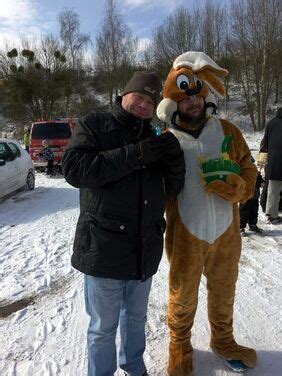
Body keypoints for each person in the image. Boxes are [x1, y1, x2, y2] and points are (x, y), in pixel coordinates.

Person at [62, 71, 185, 376]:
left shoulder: (154, 136)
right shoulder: (95, 124)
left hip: (144, 248)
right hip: (103, 249)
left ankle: (134, 366)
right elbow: (75, 170)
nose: (142, 105)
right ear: (124, 94)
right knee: (103, 328)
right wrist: (134, 154)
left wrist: (174, 160)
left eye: (149, 101)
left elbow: (172, 190)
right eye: (138, 97)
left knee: (135, 320)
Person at [156, 51, 258, 375]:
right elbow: (154, 188)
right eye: (186, 99)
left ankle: (223, 339)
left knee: (224, 292)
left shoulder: (228, 131)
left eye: (198, 96)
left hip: (226, 234)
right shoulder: (168, 141)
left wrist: (239, 187)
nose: (193, 103)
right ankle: (180, 344)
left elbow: (250, 171)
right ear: (174, 101)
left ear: (205, 96)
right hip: (185, 233)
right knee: (182, 296)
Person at [259, 107, 282, 224]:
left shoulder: (271, 123)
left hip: (273, 163)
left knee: (273, 190)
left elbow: (264, 144)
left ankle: (271, 215)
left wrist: (262, 161)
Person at [239, 161, 264, 236]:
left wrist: (261, 182)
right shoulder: (242, 171)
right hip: (245, 195)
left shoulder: (255, 170)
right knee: (243, 211)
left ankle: (252, 224)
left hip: (255, 195)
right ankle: (240, 227)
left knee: (254, 210)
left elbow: (258, 178)